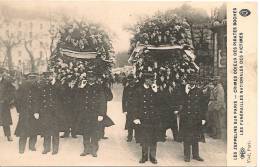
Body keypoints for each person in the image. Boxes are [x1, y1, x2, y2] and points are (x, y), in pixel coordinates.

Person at [75, 73, 106, 157]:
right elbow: (77, 98)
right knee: (86, 132)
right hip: (85, 114)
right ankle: (86, 149)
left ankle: (94, 150)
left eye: (92, 77)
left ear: (95, 78)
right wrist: (80, 88)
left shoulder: (99, 87)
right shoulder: (83, 87)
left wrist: (101, 114)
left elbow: (103, 102)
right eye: (89, 77)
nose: (90, 78)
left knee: (94, 132)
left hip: (95, 114)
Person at [133, 73, 161, 164]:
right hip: (143, 118)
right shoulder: (138, 90)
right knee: (144, 137)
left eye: (152, 79)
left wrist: (156, 92)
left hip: (153, 118)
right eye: (150, 79)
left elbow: (160, 103)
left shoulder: (155, 90)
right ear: (145, 80)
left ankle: (153, 156)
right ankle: (144, 156)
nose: (152, 81)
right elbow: (134, 105)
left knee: (153, 137)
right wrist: (136, 117)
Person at [178, 75, 206, 162]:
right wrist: (185, 92)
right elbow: (179, 101)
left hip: (196, 118)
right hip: (186, 118)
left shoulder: (199, 91)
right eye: (190, 80)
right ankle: (187, 155)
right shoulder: (183, 90)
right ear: (188, 81)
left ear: (196, 82)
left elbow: (203, 106)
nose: (192, 82)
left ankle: (195, 155)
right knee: (186, 137)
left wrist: (203, 118)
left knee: (195, 137)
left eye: (194, 81)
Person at [38, 72, 65, 155]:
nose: (48, 78)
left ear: (53, 76)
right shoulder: (43, 85)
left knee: (55, 131)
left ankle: (55, 148)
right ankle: (46, 148)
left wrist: (54, 84)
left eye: (50, 76)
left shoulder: (58, 84)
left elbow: (63, 95)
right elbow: (40, 98)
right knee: (46, 130)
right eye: (47, 77)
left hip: (55, 113)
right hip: (46, 112)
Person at [14, 73, 40, 153]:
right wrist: (19, 110)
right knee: (27, 131)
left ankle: (27, 148)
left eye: (32, 79)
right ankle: (27, 148)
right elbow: (17, 99)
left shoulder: (28, 86)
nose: (31, 81)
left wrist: (36, 111)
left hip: (29, 112)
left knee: (31, 130)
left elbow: (38, 100)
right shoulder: (26, 86)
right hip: (27, 112)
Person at [0, 67, 15, 141]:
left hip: (4, 104)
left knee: (5, 121)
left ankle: (8, 135)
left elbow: (12, 91)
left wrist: (6, 99)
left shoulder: (6, 82)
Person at [122, 74, 137, 142]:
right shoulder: (126, 88)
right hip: (129, 108)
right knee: (129, 122)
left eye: (132, 80)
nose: (131, 82)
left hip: (137, 108)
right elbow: (124, 99)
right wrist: (124, 109)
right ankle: (129, 136)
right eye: (129, 80)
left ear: (134, 80)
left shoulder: (137, 88)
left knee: (137, 122)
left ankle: (137, 137)